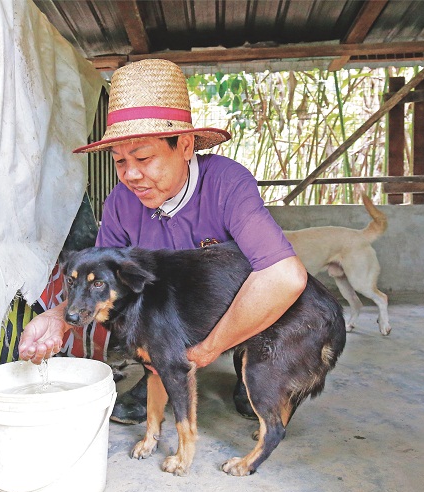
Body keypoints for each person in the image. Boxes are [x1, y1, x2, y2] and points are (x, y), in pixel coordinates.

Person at [17, 59, 307, 424]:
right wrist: (58, 319)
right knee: (137, 306)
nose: (131, 175)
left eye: (143, 157)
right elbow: (101, 280)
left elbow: (285, 277)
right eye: (120, 161)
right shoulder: (121, 201)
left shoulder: (227, 184)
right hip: (172, 324)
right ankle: (155, 369)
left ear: (185, 146)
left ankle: (249, 357)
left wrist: (205, 351)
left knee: (255, 391)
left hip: (224, 312)